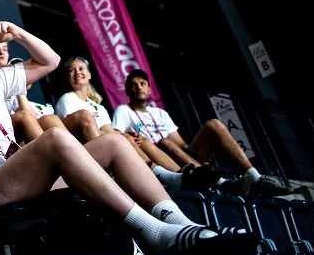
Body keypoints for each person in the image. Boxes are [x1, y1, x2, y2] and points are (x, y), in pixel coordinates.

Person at [0, 25, 256, 255]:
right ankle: (152, 232)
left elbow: (51, 60)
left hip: (18, 173)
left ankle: (182, 224)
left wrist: (17, 32)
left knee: (115, 143)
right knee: (55, 138)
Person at [113, 69, 293, 197]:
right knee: (165, 143)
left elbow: (179, 142)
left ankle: (254, 177)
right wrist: (130, 137)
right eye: (134, 85)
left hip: (180, 155)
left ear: (149, 89)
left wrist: (196, 150)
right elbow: (116, 135)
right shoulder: (123, 110)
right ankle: (218, 181)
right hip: (158, 158)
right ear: (128, 91)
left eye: (142, 84)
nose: (139, 88)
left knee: (213, 124)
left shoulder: (160, 113)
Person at [55, 57, 218, 191]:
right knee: (123, 138)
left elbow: (109, 131)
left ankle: (177, 177)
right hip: (85, 150)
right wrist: (121, 136)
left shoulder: (98, 107)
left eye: (81, 68)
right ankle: (163, 177)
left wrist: (125, 136)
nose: (77, 72)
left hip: (103, 145)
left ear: (90, 75)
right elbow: (77, 132)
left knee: (136, 140)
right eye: (72, 70)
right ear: (68, 78)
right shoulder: (67, 99)